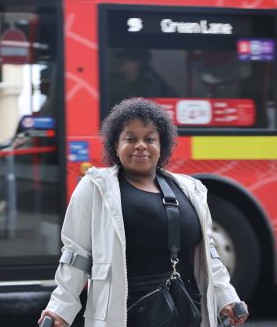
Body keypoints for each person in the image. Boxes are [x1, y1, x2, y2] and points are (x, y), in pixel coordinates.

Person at [38, 98, 248, 327]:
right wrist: (60, 309)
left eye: (149, 139)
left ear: (162, 146)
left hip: (185, 310)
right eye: (130, 138)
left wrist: (225, 298)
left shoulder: (190, 190)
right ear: (115, 146)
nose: (140, 145)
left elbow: (208, 254)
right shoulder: (95, 188)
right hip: (125, 315)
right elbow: (76, 255)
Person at [108, 49, 177, 108]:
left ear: (137, 61)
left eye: (125, 58)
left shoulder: (151, 87)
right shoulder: (119, 83)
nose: (120, 61)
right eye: (120, 57)